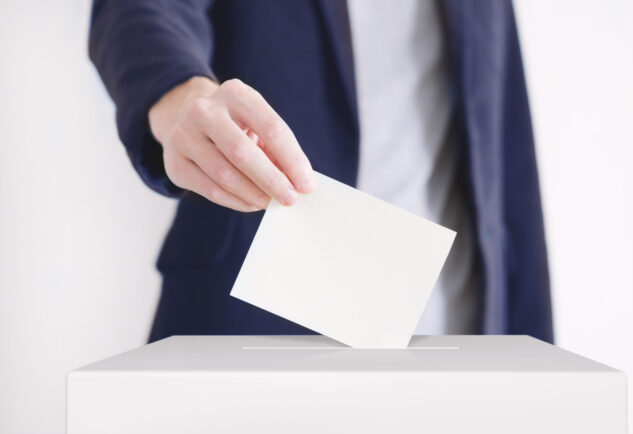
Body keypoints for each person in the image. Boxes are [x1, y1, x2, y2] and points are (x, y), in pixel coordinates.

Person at [89, 0, 553, 343]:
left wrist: (536, 352)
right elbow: (139, 10)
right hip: (256, 323)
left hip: (455, 329)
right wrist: (182, 94)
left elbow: (505, 149)